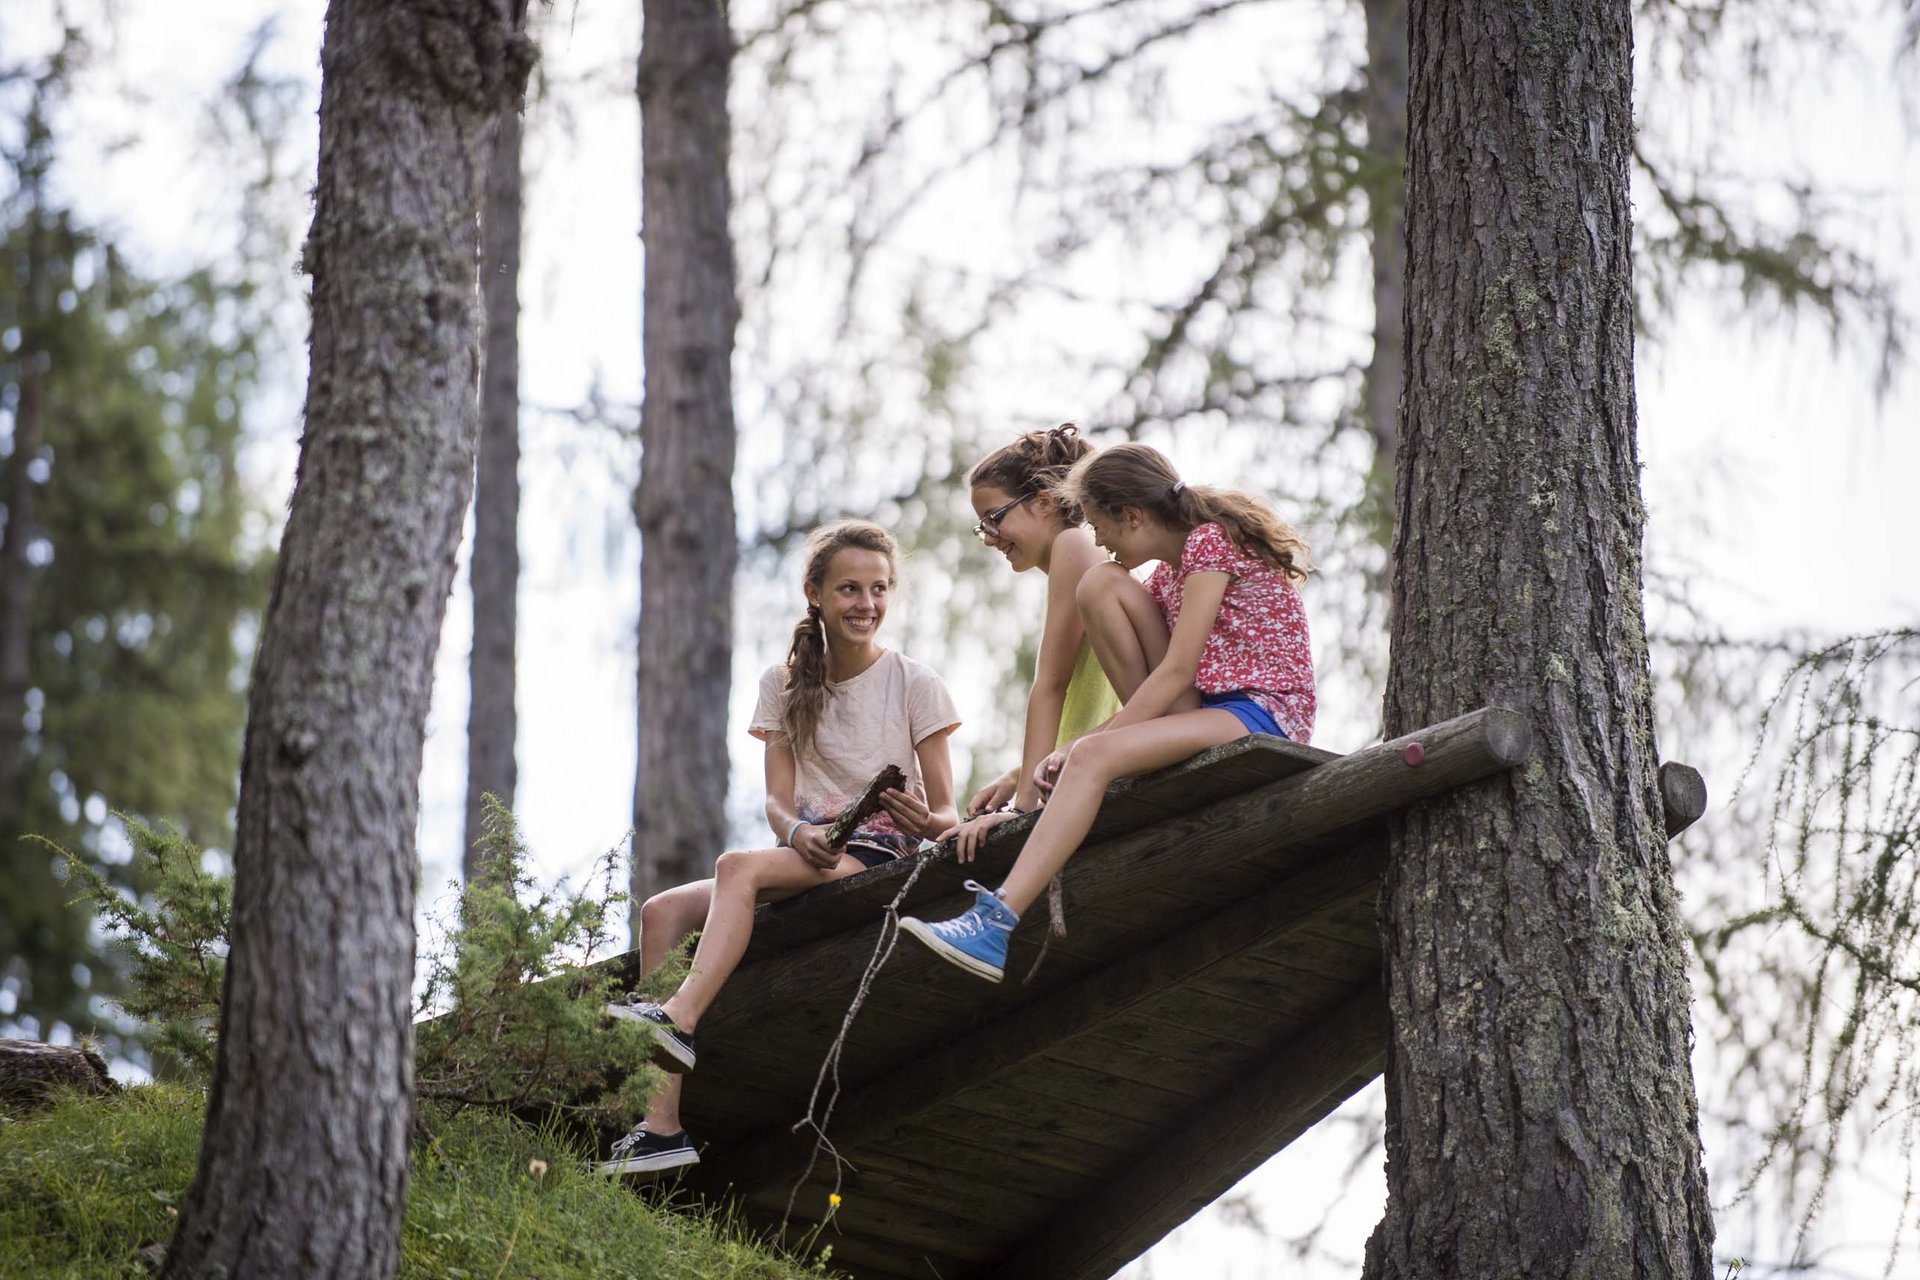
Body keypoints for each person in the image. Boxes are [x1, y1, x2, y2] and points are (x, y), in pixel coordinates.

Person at [599, 520, 961, 1174]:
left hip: (881, 862)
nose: (866, 603)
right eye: (849, 588)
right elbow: (776, 802)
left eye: (879, 589)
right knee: (661, 912)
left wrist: (925, 821)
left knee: (737, 866)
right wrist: (798, 832)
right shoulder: (785, 683)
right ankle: (659, 1125)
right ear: (814, 592)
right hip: (809, 853)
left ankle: (677, 1015)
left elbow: (948, 816)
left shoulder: (914, 682)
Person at [899, 442, 1312, 983]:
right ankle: (996, 914)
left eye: (1100, 525)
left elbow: (1176, 672)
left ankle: (994, 924)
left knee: (1092, 756)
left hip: (1262, 712)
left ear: (1133, 515)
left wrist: (1079, 748)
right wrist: (1030, 770)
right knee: (1101, 585)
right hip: (1212, 708)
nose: (1096, 539)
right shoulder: (1167, 575)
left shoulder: (1210, 543)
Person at [942, 424, 1121, 862]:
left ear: (1043, 502)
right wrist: (1019, 774)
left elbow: (1052, 684)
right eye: (981, 526)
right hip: (1084, 763)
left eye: (994, 518)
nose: (989, 538)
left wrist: (1022, 811)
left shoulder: (1074, 543)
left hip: (1100, 771)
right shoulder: (1073, 555)